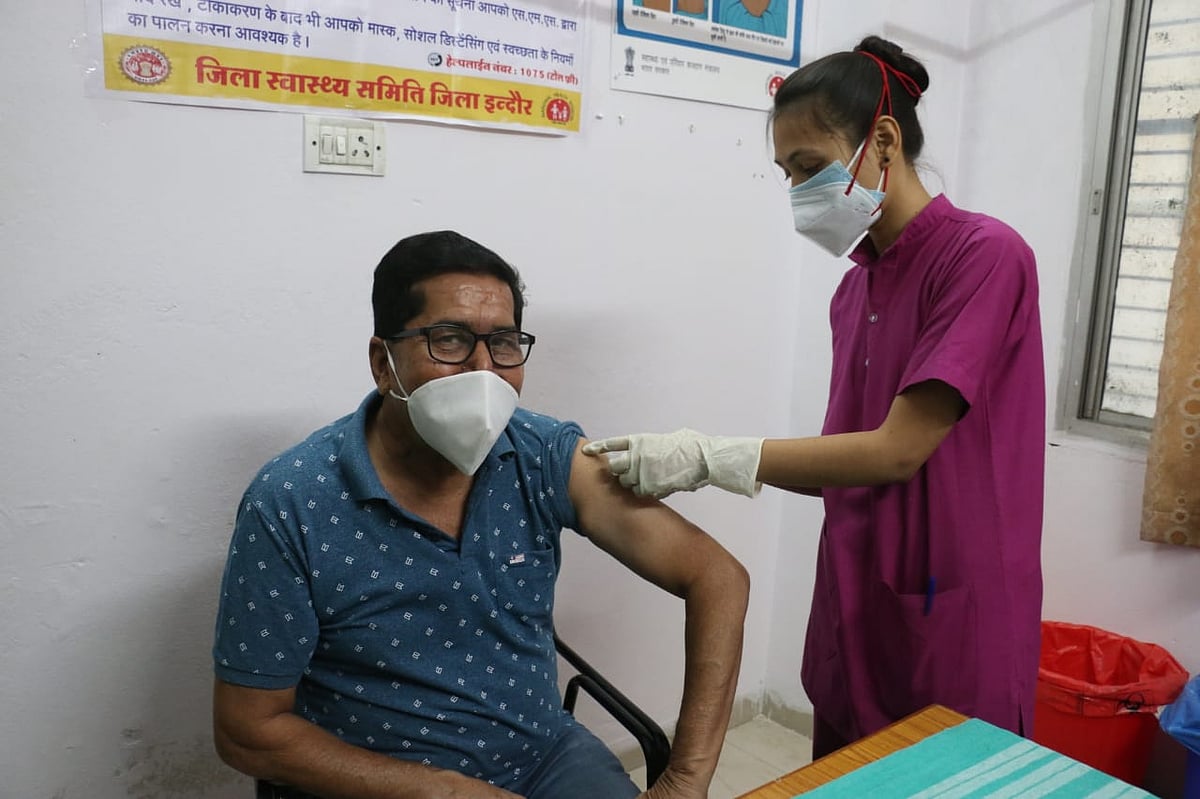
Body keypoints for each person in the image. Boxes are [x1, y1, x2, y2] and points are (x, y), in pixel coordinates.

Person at [585, 35, 1045, 759]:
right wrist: (703, 461)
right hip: (856, 597)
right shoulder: (853, 290)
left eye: (809, 167)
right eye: (786, 174)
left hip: (948, 602)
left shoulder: (984, 257)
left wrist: (712, 457)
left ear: (882, 140)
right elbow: (844, 461)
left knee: (941, 770)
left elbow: (896, 452)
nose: (799, 192)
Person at [211, 231, 750, 799]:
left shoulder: (541, 454)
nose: (484, 370)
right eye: (449, 340)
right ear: (383, 363)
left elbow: (716, 576)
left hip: (543, 759)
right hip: (384, 783)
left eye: (504, 344)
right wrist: (439, 790)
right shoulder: (294, 501)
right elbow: (248, 732)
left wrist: (686, 782)